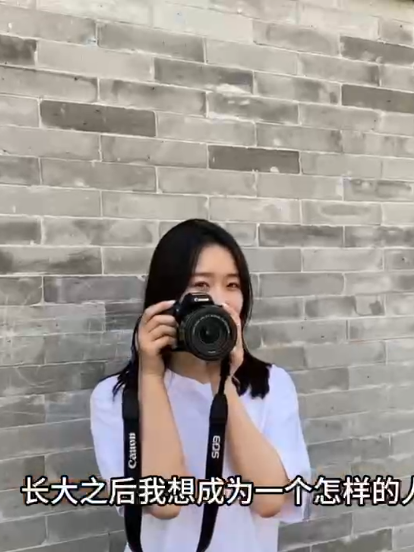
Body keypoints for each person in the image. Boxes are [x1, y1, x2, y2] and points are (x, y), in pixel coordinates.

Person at [89, 218, 311, 552]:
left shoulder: (271, 385)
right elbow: (164, 502)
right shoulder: (116, 397)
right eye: (200, 285)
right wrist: (150, 376)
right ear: (166, 298)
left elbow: (270, 500)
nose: (219, 301)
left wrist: (223, 382)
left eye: (232, 285)